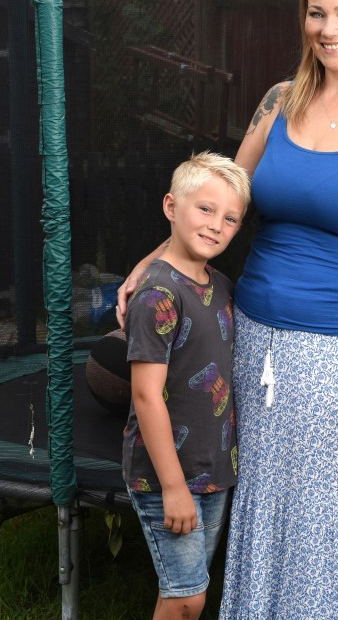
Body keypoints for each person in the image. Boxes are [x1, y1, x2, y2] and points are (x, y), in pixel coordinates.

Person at [118, 0, 338, 618]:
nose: (329, 28)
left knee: (337, 519)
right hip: (257, 342)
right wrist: (155, 263)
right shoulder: (280, 101)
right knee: (266, 507)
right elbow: (224, 198)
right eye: (317, 13)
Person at [122, 150, 251, 620]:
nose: (217, 225)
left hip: (213, 468)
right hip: (166, 476)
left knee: (186, 587)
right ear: (171, 207)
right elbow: (145, 395)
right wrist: (174, 488)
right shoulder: (158, 294)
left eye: (231, 218)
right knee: (187, 599)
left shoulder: (220, 283)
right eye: (205, 209)